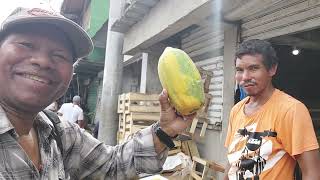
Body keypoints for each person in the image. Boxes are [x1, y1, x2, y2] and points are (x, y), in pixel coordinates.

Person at [0, 7, 195, 179]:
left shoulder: (60, 133)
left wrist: (165, 131)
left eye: (59, 55)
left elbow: (112, 166)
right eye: (26, 45)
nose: (42, 61)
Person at [224, 39, 320, 180]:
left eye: (253, 68)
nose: (245, 77)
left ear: (272, 69)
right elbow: (233, 158)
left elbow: (311, 172)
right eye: (240, 70)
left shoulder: (291, 110)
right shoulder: (236, 110)